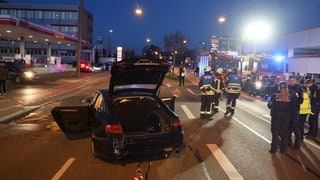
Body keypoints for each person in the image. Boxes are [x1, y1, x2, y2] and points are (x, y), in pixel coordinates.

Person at [268, 81, 291, 153]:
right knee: (284, 132)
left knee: (275, 132)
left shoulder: (275, 95)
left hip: (276, 115)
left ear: (279, 87)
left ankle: (274, 148)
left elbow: (270, 105)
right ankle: (283, 149)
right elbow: (292, 107)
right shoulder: (290, 96)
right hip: (286, 116)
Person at [287, 75, 303, 149]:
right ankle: (288, 141)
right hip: (287, 110)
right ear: (288, 80)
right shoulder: (286, 87)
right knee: (288, 127)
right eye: (290, 80)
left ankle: (297, 144)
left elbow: (301, 101)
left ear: (295, 81)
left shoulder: (299, 89)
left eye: (293, 80)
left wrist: (295, 98)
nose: (291, 82)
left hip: (295, 110)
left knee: (295, 127)